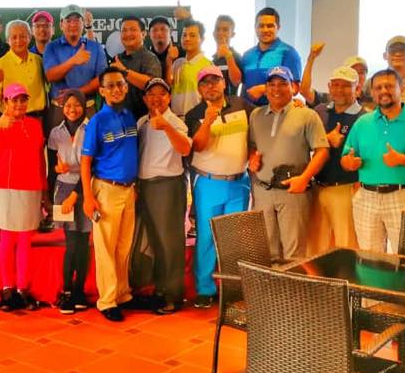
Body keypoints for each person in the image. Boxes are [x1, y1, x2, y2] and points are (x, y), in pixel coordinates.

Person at [341, 69, 405, 253]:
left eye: (389, 86)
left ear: (401, 88)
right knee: (369, 258)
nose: (383, 91)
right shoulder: (362, 123)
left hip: (403, 196)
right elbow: (346, 158)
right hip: (367, 197)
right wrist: (349, 163)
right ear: (372, 92)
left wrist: (402, 159)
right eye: (378, 87)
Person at [185, 66, 255, 307]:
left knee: (234, 239)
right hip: (208, 183)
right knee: (206, 237)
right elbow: (198, 146)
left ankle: (232, 287)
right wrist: (208, 120)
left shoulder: (241, 105)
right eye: (205, 83)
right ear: (199, 89)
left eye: (215, 81)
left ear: (224, 83)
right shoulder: (194, 114)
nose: (211, 86)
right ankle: (205, 289)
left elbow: (259, 128)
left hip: (239, 182)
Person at [248, 66, 329, 261]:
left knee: (294, 254)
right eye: (272, 84)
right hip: (262, 192)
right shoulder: (256, 115)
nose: (277, 89)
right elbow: (252, 145)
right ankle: (270, 283)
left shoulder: (307, 115)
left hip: (293, 193)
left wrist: (305, 178)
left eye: (283, 84)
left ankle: (292, 283)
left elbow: (322, 151)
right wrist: (252, 157)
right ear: (266, 88)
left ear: (293, 87)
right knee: (267, 252)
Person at [81, 67, 139, 322]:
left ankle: (122, 293)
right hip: (106, 189)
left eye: (120, 84)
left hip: (128, 189)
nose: (116, 89)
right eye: (111, 86)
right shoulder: (97, 121)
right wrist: (88, 197)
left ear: (126, 87)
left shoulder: (129, 115)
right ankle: (107, 300)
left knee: (124, 246)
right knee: (105, 248)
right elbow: (85, 161)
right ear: (102, 91)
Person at [0, 84, 47, 311]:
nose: (19, 104)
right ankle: (7, 289)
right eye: (14, 100)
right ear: (5, 102)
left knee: (25, 239)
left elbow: (39, 157)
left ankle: (22, 289)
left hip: (31, 187)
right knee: (7, 238)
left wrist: (44, 189)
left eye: (23, 100)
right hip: (7, 187)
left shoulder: (35, 124)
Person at [136, 78, 191, 314]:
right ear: (145, 99)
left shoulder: (176, 122)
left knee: (170, 242)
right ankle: (159, 289)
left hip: (168, 186)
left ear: (169, 98)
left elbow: (185, 149)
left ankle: (173, 295)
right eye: (151, 94)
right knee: (155, 242)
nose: (156, 98)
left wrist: (167, 127)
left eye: (162, 93)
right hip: (145, 186)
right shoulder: (141, 122)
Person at [307, 66, 365, 256]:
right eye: (336, 85)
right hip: (318, 186)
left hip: (346, 189)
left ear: (357, 88)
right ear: (329, 87)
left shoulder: (364, 118)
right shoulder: (320, 111)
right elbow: (306, 141)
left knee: (346, 245)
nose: (339, 90)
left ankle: (346, 276)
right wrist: (326, 139)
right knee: (315, 245)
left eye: (346, 86)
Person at [48, 90, 91, 314]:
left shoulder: (91, 130)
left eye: (76, 105)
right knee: (71, 242)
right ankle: (66, 291)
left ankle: (79, 290)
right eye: (67, 105)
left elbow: (93, 166)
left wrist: (76, 194)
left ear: (84, 106)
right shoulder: (56, 132)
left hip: (86, 188)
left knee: (83, 242)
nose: (72, 109)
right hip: (63, 189)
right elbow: (51, 168)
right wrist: (57, 170)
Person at [43, 4, 106, 131]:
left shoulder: (95, 47)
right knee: (57, 144)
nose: (73, 24)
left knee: (89, 143)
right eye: (68, 20)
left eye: (77, 20)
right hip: (59, 110)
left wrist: (76, 93)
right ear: (61, 24)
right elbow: (50, 76)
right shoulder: (51, 47)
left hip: (88, 108)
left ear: (83, 23)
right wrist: (73, 61)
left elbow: (102, 79)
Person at [240, 7, 302, 105]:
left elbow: (295, 88)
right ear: (255, 28)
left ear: (278, 27)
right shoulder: (247, 55)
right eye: (261, 26)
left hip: (276, 111)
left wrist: (264, 89)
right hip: (248, 111)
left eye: (270, 26)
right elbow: (243, 85)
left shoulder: (289, 52)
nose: (265, 30)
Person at [0, 20, 48, 116]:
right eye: (14, 37)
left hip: (39, 117)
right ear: (8, 40)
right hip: (12, 119)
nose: (18, 41)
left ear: (29, 37)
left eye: (23, 36)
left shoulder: (38, 60)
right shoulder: (0, 64)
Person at [110, 16, 161, 119]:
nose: (128, 34)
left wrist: (124, 72)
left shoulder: (150, 58)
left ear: (143, 34)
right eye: (124, 30)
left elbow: (152, 85)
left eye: (133, 30)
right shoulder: (117, 59)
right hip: (118, 120)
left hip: (143, 121)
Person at [167, 20, 212, 118]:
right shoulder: (177, 63)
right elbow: (168, 84)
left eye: (192, 35)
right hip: (176, 119)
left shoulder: (208, 66)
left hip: (197, 120)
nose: (187, 39)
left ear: (202, 39)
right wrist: (169, 60)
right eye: (184, 35)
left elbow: (211, 97)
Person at [210, 15, 243, 96]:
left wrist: (228, 56)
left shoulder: (236, 57)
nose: (220, 33)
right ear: (213, 33)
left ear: (233, 34)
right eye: (218, 29)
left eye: (225, 30)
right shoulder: (212, 60)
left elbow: (236, 82)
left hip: (231, 103)